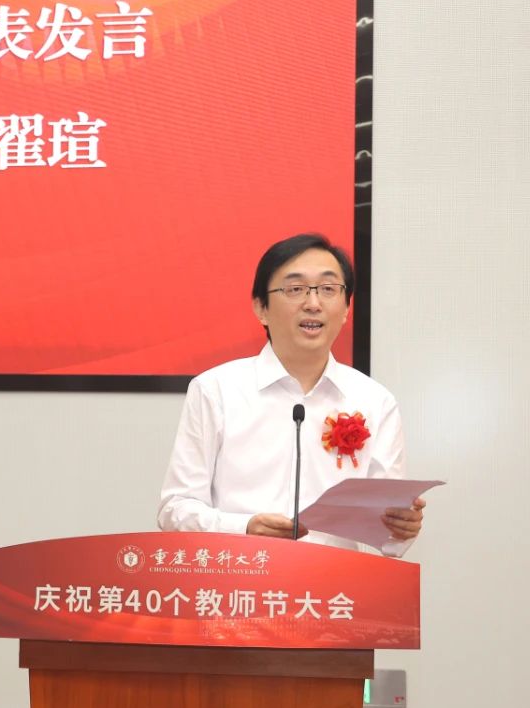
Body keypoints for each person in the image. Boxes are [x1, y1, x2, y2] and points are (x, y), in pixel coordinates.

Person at [157, 233, 425, 550]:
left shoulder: (375, 401)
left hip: (334, 578)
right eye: (295, 289)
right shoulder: (215, 390)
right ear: (261, 308)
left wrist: (400, 529)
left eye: (328, 289)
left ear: (346, 308)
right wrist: (244, 528)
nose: (313, 304)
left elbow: (388, 532)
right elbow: (175, 509)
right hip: (240, 572)